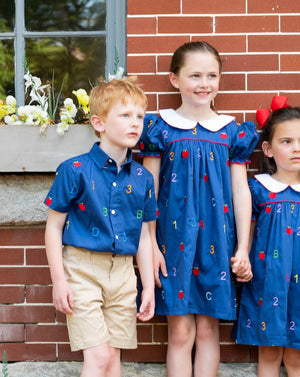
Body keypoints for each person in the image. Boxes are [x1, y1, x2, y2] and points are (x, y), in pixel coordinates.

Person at [138, 41, 259, 377]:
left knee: (208, 331)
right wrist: (149, 246)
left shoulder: (231, 131)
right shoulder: (160, 128)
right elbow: (149, 191)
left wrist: (243, 247)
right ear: (175, 79)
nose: (204, 83)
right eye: (195, 75)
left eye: (212, 75)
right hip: (172, 242)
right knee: (179, 332)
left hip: (218, 241)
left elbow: (240, 191)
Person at [44, 76, 158, 377]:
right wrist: (59, 281)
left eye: (139, 116)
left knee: (113, 359)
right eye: (125, 115)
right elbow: (53, 229)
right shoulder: (75, 170)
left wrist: (147, 285)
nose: (135, 123)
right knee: (97, 357)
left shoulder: (144, 178)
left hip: (122, 273)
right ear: (99, 123)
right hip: (82, 270)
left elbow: (145, 236)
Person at [235, 96, 300, 377]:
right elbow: (245, 235)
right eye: (286, 142)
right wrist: (242, 259)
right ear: (268, 149)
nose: (296, 148)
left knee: (296, 359)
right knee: (270, 354)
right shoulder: (258, 188)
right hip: (267, 281)